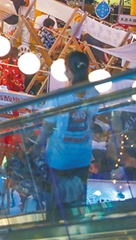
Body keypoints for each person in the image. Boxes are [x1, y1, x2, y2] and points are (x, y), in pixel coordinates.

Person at [37, 51, 98, 212]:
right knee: (78, 203)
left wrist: (36, 147)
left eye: (66, 68)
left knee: (56, 205)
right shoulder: (94, 93)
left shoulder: (59, 97)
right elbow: (91, 120)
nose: (64, 72)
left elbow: (47, 127)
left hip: (59, 159)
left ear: (70, 71)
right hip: (82, 158)